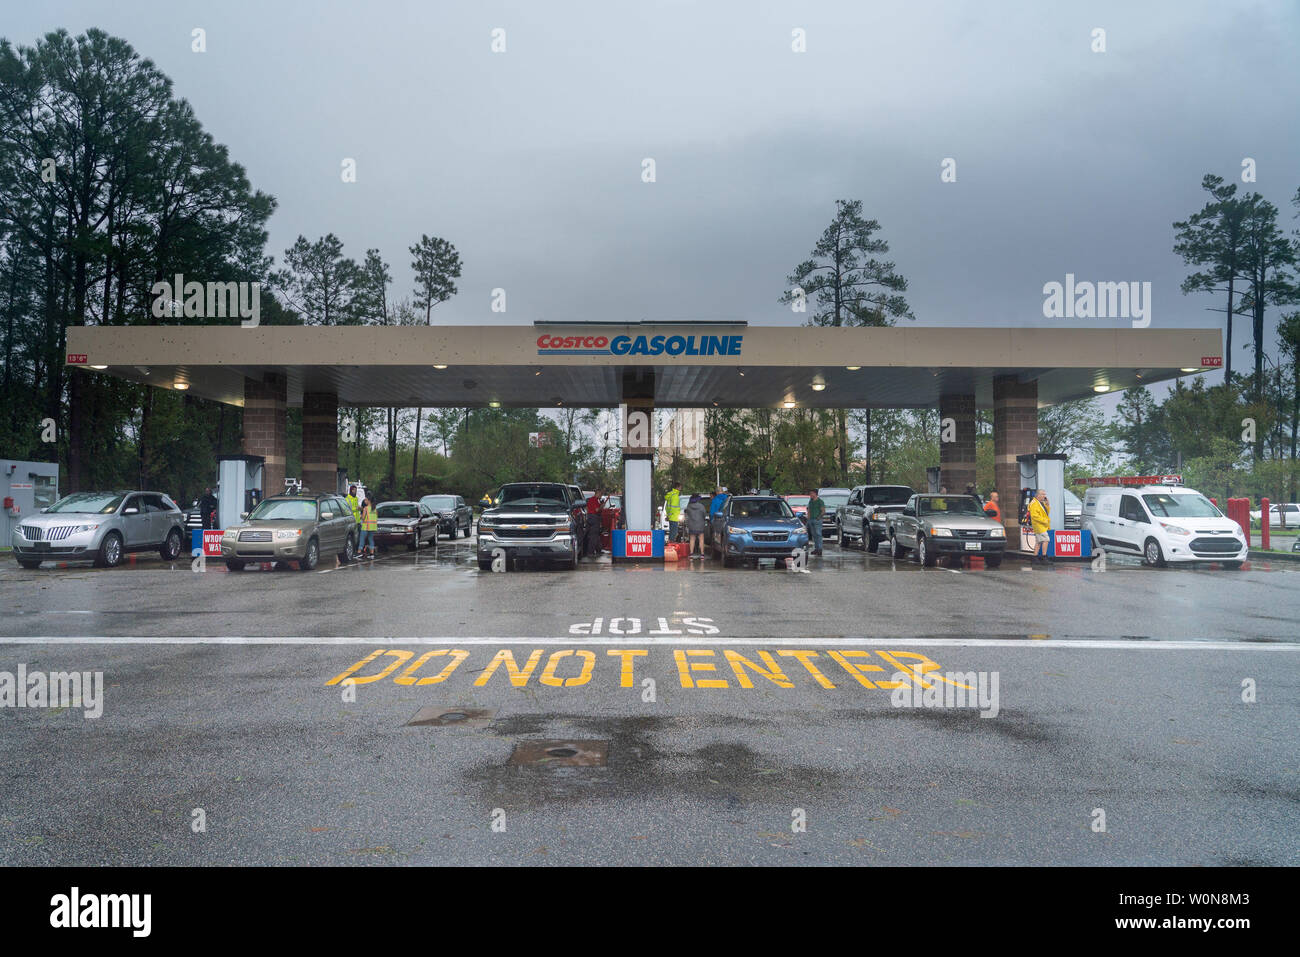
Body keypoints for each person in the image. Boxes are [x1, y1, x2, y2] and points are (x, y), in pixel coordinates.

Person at [1028, 488, 1051, 564]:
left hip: (1042, 525)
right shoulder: (1034, 503)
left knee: (1039, 541)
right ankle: (1044, 557)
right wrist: (1045, 521)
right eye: (1043, 494)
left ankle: (1035, 557)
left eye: (1045, 494)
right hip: (1039, 525)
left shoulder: (1041, 502)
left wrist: (1047, 504)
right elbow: (1034, 516)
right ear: (1038, 495)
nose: (1045, 496)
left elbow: (1046, 512)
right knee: (1046, 539)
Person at [684, 493, 707, 558]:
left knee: (692, 539)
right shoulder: (701, 506)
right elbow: (704, 514)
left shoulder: (688, 506)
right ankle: (702, 554)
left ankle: (691, 553)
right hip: (700, 524)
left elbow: (687, 515)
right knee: (701, 539)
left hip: (692, 524)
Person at [585, 488, 604, 557]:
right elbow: (597, 510)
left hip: (591, 518)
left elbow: (588, 508)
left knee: (596, 535)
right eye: (601, 494)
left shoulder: (592, 500)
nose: (601, 496)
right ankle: (590, 552)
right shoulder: (594, 500)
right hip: (594, 518)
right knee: (594, 536)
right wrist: (602, 505)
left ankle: (598, 550)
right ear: (597, 493)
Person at [806, 489, 824, 556]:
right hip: (811, 520)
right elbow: (809, 510)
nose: (810, 495)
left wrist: (818, 518)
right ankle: (816, 549)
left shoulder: (820, 501)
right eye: (810, 493)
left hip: (817, 520)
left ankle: (820, 549)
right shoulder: (810, 501)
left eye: (811, 493)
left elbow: (823, 511)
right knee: (814, 535)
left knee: (818, 534)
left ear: (815, 494)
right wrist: (808, 519)